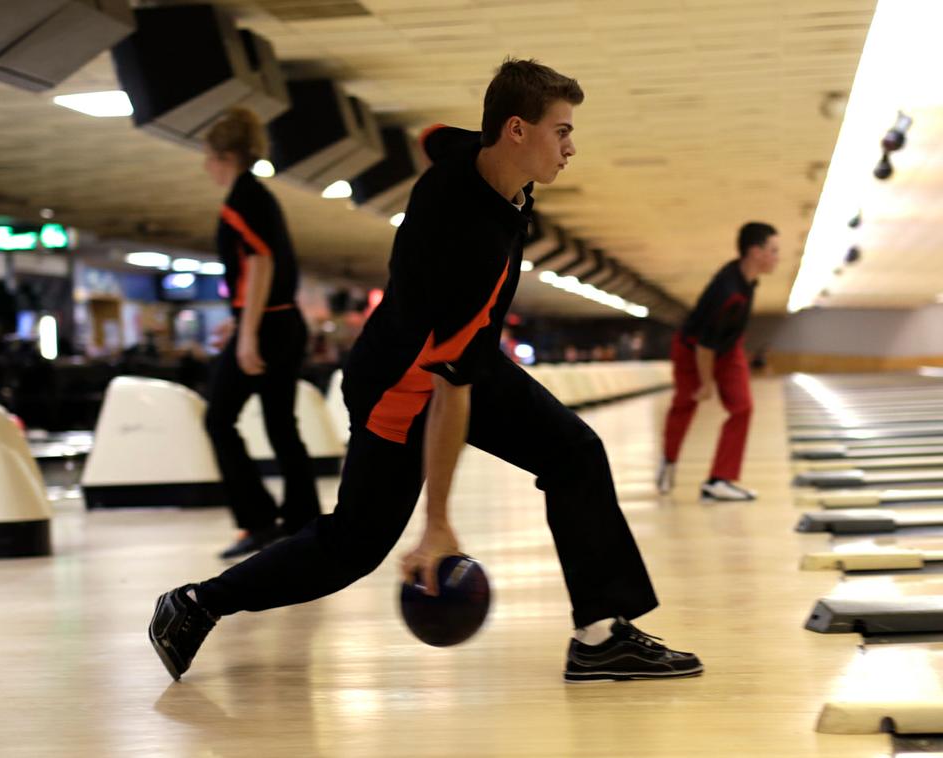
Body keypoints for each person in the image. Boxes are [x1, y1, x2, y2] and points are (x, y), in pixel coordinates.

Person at [149, 59, 703, 684]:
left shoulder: (485, 162)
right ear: (517, 130)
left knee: (574, 452)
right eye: (562, 131)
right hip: (403, 387)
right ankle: (194, 604)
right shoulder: (470, 246)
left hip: (459, 360)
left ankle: (600, 635)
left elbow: (437, 137)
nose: (571, 147)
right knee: (352, 547)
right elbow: (449, 391)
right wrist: (437, 523)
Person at [201, 107, 322, 559]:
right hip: (282, 321)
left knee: (218, 419)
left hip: (268, 327)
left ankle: (258, 520)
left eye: (208, 157)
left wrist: (247, 333)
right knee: (280, 425)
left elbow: (260, 262)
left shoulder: (242, 199)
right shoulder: (258, 196)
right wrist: (240, 320)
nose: (205, 166)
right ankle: (302, 521)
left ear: (226, 156)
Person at [657, 222, 780, 501]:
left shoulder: (745, 276)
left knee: (742, 408)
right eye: (773, 250)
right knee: (685, 405)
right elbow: (704, 346)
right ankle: (669, 460)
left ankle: (719, 480)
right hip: (693, 349)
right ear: (755, 252)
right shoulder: (728, 292)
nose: (777, 257)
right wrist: (707, 383)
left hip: (727, 348)